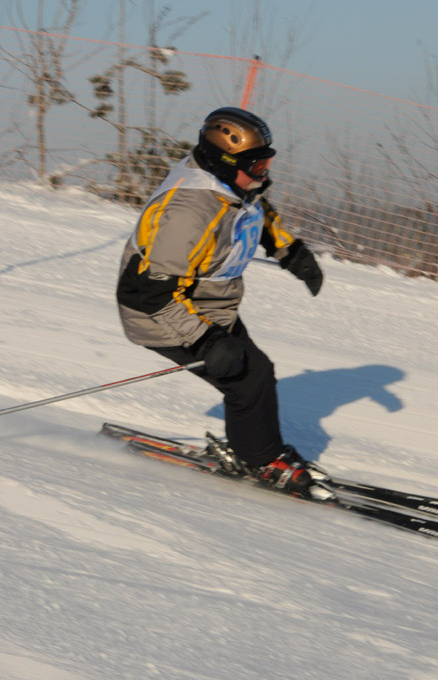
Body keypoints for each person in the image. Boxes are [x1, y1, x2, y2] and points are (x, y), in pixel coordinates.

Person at [115, 106, 324, 497]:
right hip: (159, 312)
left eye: (266, 163)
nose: (263, 174)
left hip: (207, 302)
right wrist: (206, 341)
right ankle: (261, 460)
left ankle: (257, 450)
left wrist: (290, 251)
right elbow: (154, 293)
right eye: (256, 166)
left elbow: (255, 214)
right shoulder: (187, 213)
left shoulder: (232, 187)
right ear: (224, 161)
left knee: (255, 373)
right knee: (249, 377)